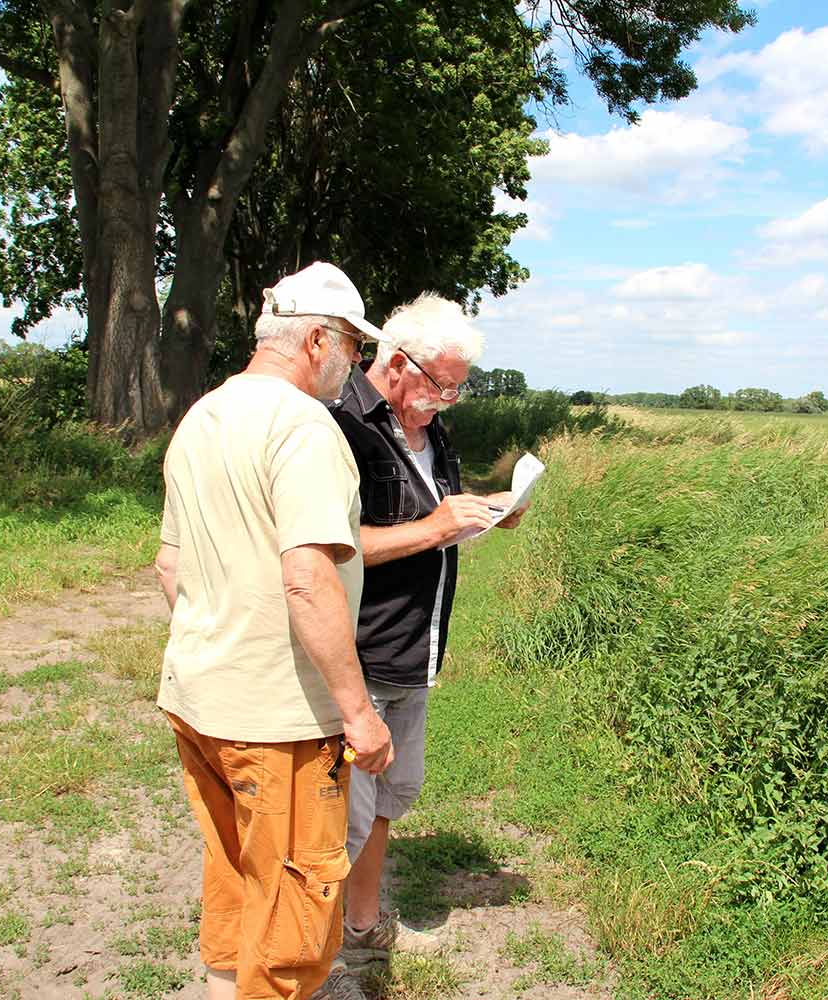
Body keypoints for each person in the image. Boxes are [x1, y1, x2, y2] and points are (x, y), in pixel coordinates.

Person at [153, 261, 396, 1000]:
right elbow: (307, 576)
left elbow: (170, 565)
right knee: (295, 906)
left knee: (235, 871)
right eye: (353, 348)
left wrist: (221, 636)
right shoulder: (303, 427)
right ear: (317, 340)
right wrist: (358, 713)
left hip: (199, 698)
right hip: (279, 721)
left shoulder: (205, 415)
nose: (353, 366)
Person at [321, 294, 525, 995]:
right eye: (443, 384)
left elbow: (436, 516)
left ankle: (362, 923)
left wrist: (490, 512)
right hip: (358, 657)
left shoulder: (432, 429)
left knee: (385, 801)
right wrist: (437, 528)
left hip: (416, 652)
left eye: (460, 385)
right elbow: (330, 552)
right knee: (332, 824)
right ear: (396, 363)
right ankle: (314, 965)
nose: (452, 399)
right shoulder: (340, 427)